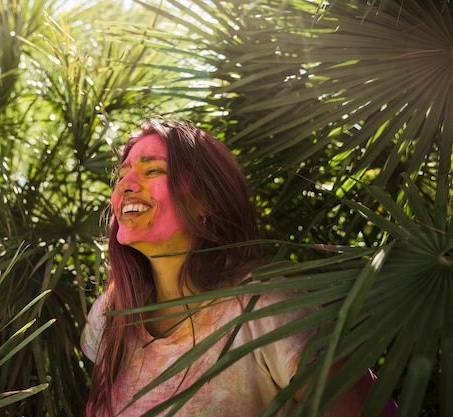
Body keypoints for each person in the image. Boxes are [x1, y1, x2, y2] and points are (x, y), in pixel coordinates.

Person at [81, 118, 393, 417]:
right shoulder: (109, 317)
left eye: (152, 170)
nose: (124, 187)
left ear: (206, 200)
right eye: (121, 176)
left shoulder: (265, 310)